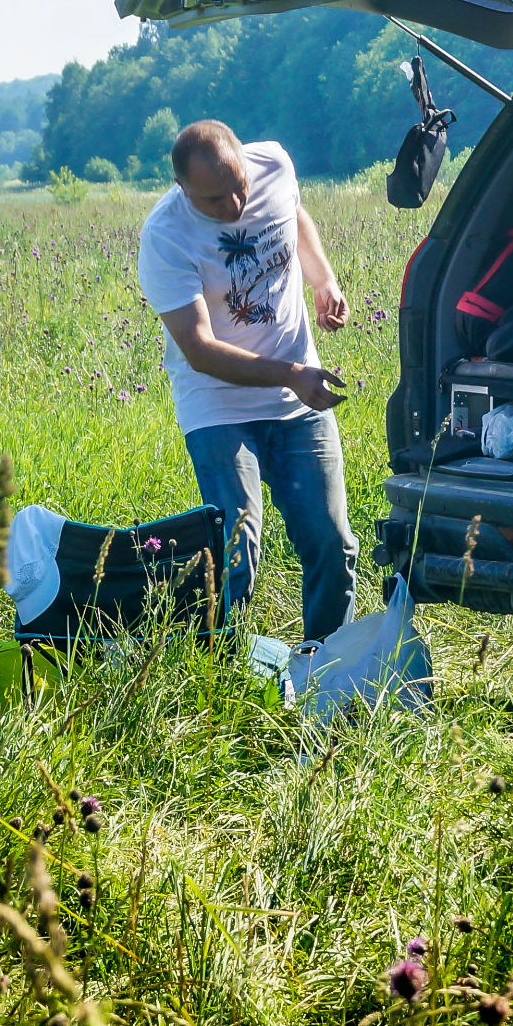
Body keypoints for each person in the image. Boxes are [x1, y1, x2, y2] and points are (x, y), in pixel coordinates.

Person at [137, 119, 359, 642]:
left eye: (239, 187)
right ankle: (219, 666)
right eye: (214, 200)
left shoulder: (274, 164)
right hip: (218, 406)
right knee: (237, 553)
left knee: (332, 544)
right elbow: (200, 350)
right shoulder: (165, 236)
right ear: (181, 188)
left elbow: (292, 215)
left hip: (296, 400)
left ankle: (322, 666)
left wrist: (323, 279)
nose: (234, 206)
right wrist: (292, 375)